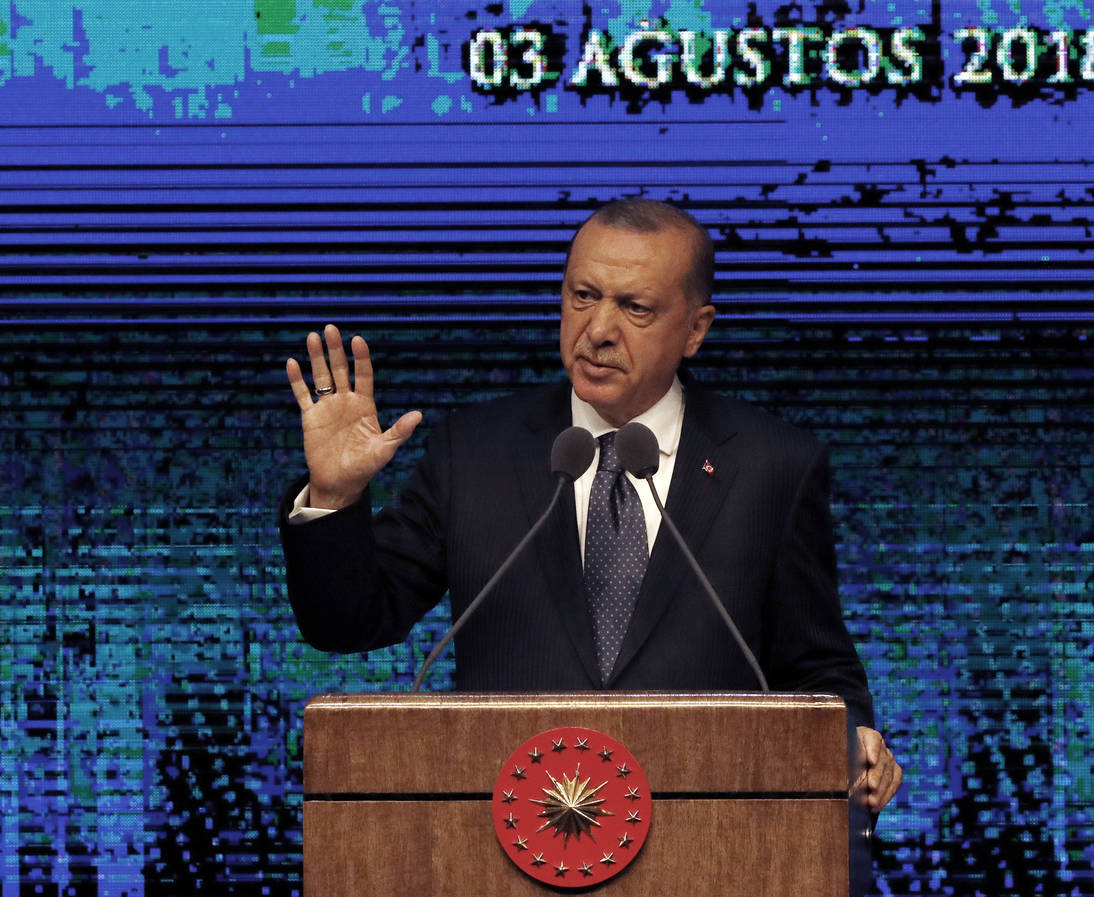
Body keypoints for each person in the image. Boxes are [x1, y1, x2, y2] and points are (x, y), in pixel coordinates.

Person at [279, 200, 902, 820]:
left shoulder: (773, 465)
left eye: (635, 307)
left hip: (710, 837)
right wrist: (335, 496)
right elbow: (348, 623)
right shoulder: (474, 452)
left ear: (696, 329)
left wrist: (854, 747)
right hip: (506, 834)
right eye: (583, 296)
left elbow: (817, 670)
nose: (598, 329)